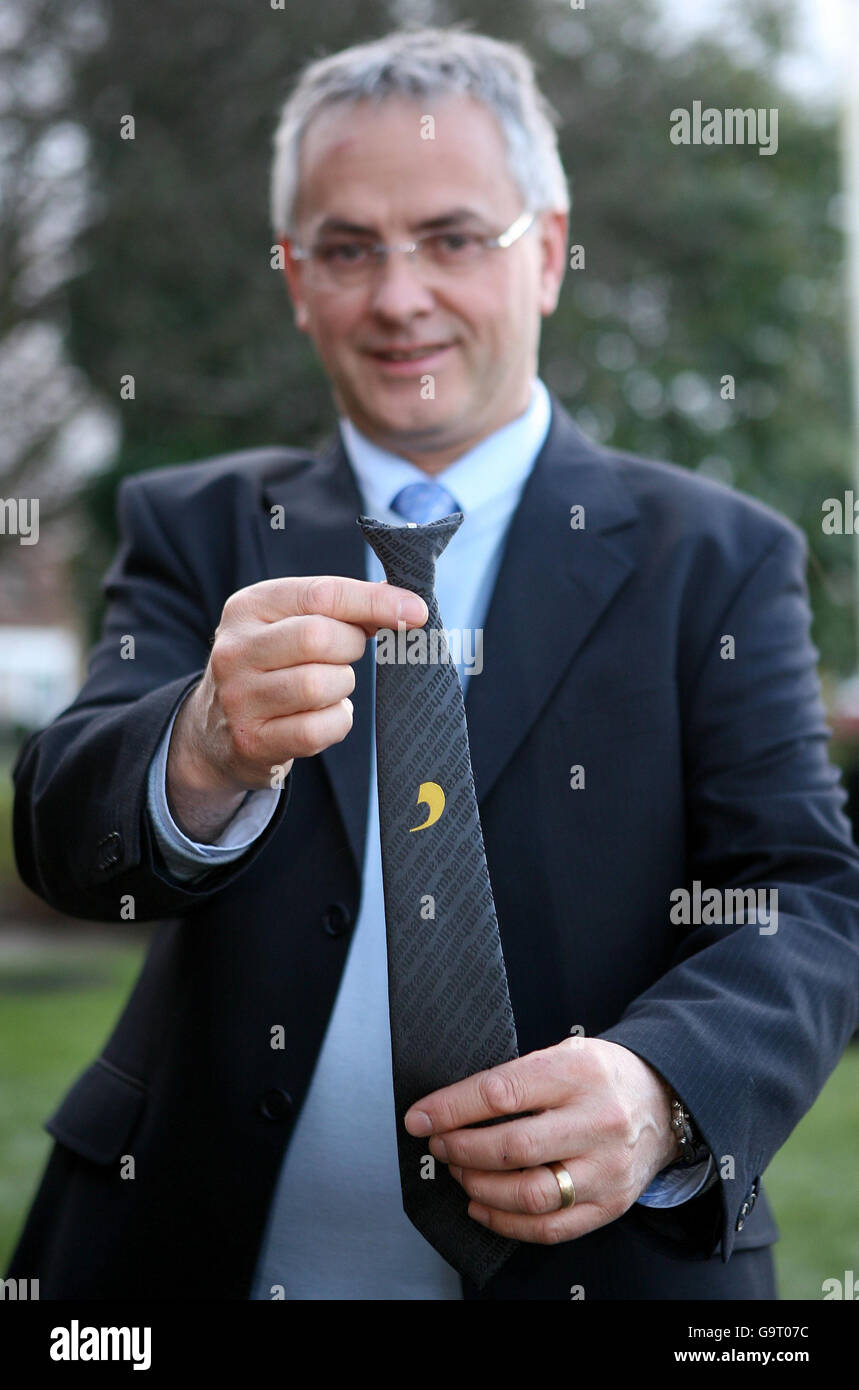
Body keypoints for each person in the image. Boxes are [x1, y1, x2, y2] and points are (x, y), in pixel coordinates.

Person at [7, 27, 859, 1301]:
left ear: (550, 255)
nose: (398, 296)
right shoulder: (197, 524)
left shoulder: (716, 558)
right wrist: (197, 747)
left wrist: (664, 1089)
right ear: (297, 279)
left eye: (454, 238)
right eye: (348, 249)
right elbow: (63, 832)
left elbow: (805, 892)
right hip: (176, 1261)